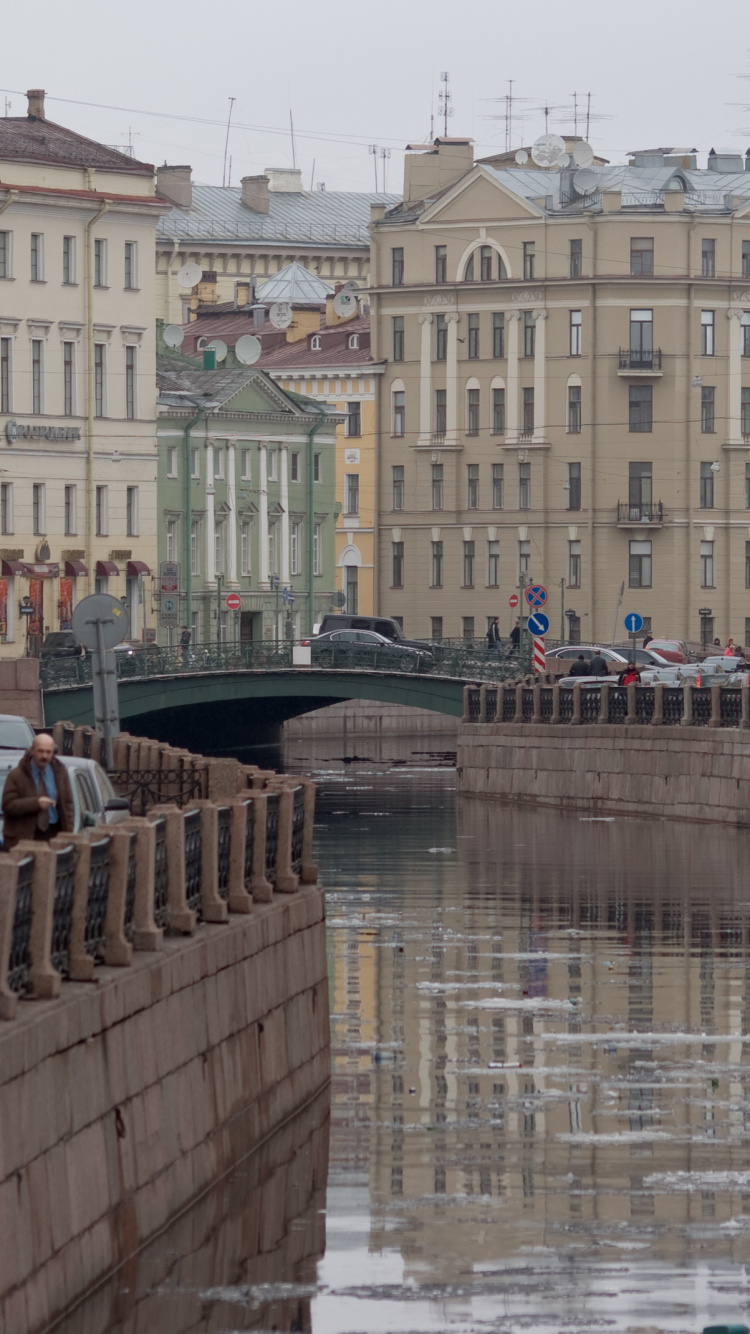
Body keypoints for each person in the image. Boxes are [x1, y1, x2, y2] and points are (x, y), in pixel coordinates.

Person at [1, 733, 74, 853]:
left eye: (48, 752)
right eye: (40, 751)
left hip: (54, 834)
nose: (44, 756)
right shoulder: (16, 776)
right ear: (32, 751)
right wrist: (35, 803)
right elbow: (7, 805)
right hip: (25, 838)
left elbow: (68, 804)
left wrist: (68, 832)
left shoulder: (60, 773)